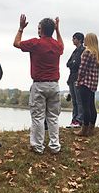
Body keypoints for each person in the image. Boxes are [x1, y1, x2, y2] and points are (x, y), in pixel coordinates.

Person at [13, 14, 64, 154]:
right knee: (53, 117)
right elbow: (62, 44)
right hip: (54, 85)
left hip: (39, 85)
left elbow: (16, 43)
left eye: (38, 28)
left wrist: (21, 28)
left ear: (41, 30)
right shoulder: (57, 46)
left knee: (38, 117)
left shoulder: (36, 43)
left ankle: (38, 146)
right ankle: (54, 146)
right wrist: (58, 30)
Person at [75, 33, 99, 137]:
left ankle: (84, 129)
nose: (84, 40)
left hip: (85, 82)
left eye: (86, 39)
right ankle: (91, 128)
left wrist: (78, 81)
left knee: (85, 107)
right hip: (93, 83)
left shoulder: (87, 52)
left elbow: (82, 69)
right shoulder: (96, 53)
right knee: (91, 106)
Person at [65, 32, 85, 128]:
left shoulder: (83, 50)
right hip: (72, 78)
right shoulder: (75, 51)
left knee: (79, 100)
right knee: (74, 101)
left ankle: (79, 119)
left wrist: (73, 63)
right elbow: (68, 63)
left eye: (74, 38)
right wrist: (72, 63)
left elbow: (77, 64)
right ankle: (74, 119)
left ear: (79, 39)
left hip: (78, 78)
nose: (72, 40)